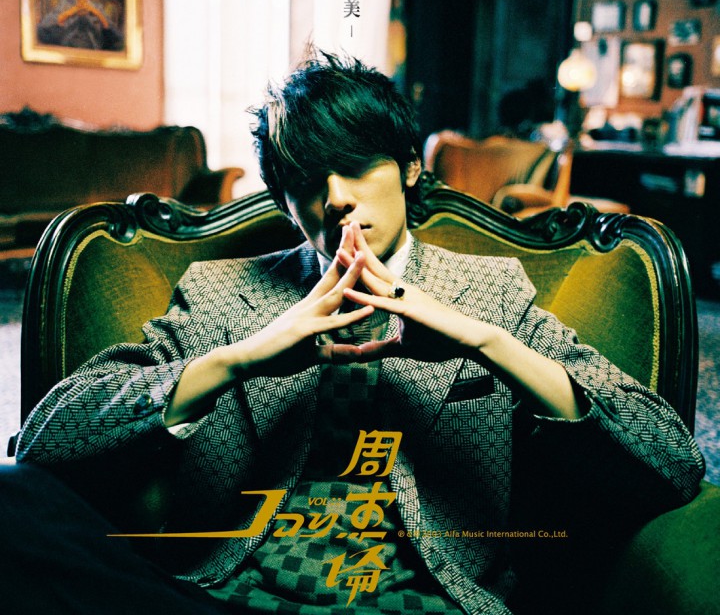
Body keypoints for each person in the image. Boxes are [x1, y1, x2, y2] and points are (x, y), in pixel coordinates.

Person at [2, 52, 705, 614]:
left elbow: (673, 459)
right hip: (227, 594)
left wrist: (488, 344)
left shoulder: (491, 292)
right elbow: (43, 441)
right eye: (309, 179)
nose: (336, 197)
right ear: (283, 199)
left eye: (359, 166)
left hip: (424, 598)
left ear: (409, 168)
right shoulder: (221, 292)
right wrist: (241, 358)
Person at [36, 0, 123, 51]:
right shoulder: (65, 4)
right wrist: (70, 12)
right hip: (68, 47)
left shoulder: (97, 7)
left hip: (92, 49)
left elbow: (117, 36)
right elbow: (41, 28)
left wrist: (96, 13)